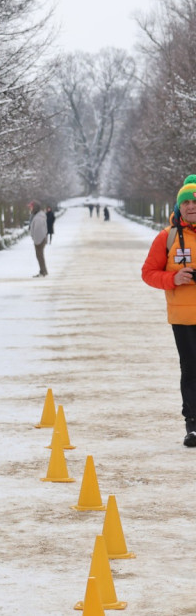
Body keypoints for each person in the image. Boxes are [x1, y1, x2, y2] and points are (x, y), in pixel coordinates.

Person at [142, 174, 196, 446]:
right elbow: (148, 273)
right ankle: (193, 424)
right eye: (186, 201)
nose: (191, 205)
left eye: (195, 201)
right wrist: (173, 278)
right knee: (191, 369)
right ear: (179, 206)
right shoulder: (168, 237)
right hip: (184, 317)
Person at [28, 202, 48, 278]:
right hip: (40, 239)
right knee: (40, 256)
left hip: (40, 239)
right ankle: (43, 271)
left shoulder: (38, 217)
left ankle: (43, 271)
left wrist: (36, 240)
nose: (30, 208)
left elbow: (38, 229)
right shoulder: (38, 216)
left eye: (31, 207)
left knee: (39, 256)